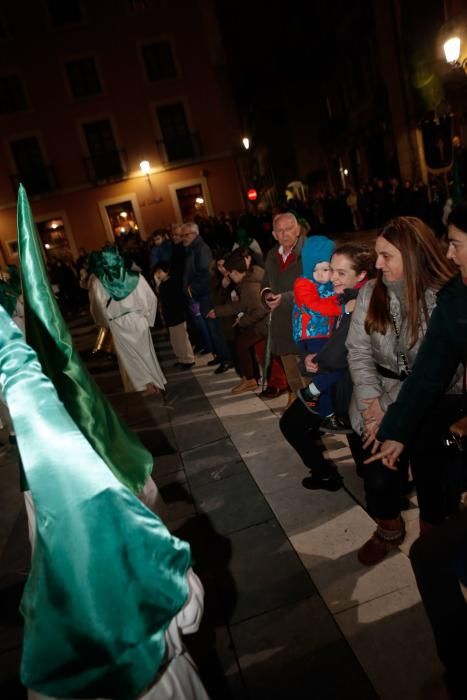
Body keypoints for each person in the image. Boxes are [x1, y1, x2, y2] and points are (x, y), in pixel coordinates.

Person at [364, 203, 467, 700]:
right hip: (418, 413)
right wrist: (393, 426)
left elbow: (437, 373)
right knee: (433, 552)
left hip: (449, 414)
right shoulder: (458, 299)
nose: (450, 254)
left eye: (458, 244)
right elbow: (425, 368)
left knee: (437, 550)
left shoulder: (442, 295)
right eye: (447, 243)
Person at [346, 216, 458, 566]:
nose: (377, 264)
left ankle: (433, 542)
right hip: (376, 395)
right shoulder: (369, 293)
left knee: (432, 479)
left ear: (411, 256)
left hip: (430, 403)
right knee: (377, 476)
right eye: (377, 255)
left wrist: (386, 407)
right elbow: (359, 352)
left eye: (386, 256)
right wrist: (368, 404)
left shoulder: (444, 297)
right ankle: (389, 529)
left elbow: (439, 372)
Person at [279, 244, 375, 491]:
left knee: (291, 424)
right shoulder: (347, 296)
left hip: (353, 390)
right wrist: (311, 357)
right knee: (365, 457)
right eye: (332, 270)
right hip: (344, 388)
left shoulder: (362, 302)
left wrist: (315, 360)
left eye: (341, 273)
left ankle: (325, 475)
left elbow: (342, 350)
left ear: (362, 274)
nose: (332, 277)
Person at [89, 246, 166, 396]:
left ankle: (147, 385)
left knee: (131, 358)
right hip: (138, 319)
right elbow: (151, 298)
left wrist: (104, 323)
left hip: (117, 323)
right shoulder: (136, 277)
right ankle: (155, 382)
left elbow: (97, 307)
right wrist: (147, 319)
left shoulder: (98, 282)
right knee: (146, 353)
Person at [293, 235, 346, 417]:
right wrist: (343, 307)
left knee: (327, 371)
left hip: (323, 334)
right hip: (312, 335)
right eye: (317, 270)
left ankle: (327, 412)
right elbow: (316, 306)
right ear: (308, 270)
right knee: (334, 368)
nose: (323, 275)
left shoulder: (329, 284)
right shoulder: (303, 284)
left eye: (327, 269)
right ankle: (312, 394)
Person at [260, 212, 305, 403]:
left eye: (289, 229)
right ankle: (296, 400)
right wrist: (267, 296)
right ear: (274, 235)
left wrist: (284, 299)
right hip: (281, 324)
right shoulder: (272, 254)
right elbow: (265, 283)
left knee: (307, 373)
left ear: (298, 230)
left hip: (303, 322)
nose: (285, 234)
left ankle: (314, 411)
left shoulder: (308, 252)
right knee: (291, 372)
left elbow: (316, 287)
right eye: (280, 230)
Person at [210, 249, 268, 394]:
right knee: (241, 344)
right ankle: (249, 379)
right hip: (258, 322)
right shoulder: (247, 280)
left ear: (236, 272)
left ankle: (250, 380)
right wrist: (218, 311)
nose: (228, 275)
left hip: (264, 325)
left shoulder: (250, 286)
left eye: (230, 273)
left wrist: (242, 321)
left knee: (242, 345)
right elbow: (241, 305)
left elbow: (261, 310)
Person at [182, 222, 233, 370]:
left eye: (186, 235)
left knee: (215, 328)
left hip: (206, 295)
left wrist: (192, 289)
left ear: (194, 234)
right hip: (202, 295)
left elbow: (206, 274)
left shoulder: (201, 249)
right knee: (211, 329)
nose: (183, 238)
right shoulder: (192, 249)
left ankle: (226, 358)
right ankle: (220, 355)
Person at [154, 261, 195, 370]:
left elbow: (180, 299)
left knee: (182, 339)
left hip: (178, 315)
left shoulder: (173, 283)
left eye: (159, 272)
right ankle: (181, 359)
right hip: (170, 317)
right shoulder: (162, 284)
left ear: (166, 272)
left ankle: (189, 359)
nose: (157, 275)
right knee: (175, 340)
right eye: (157, 272)